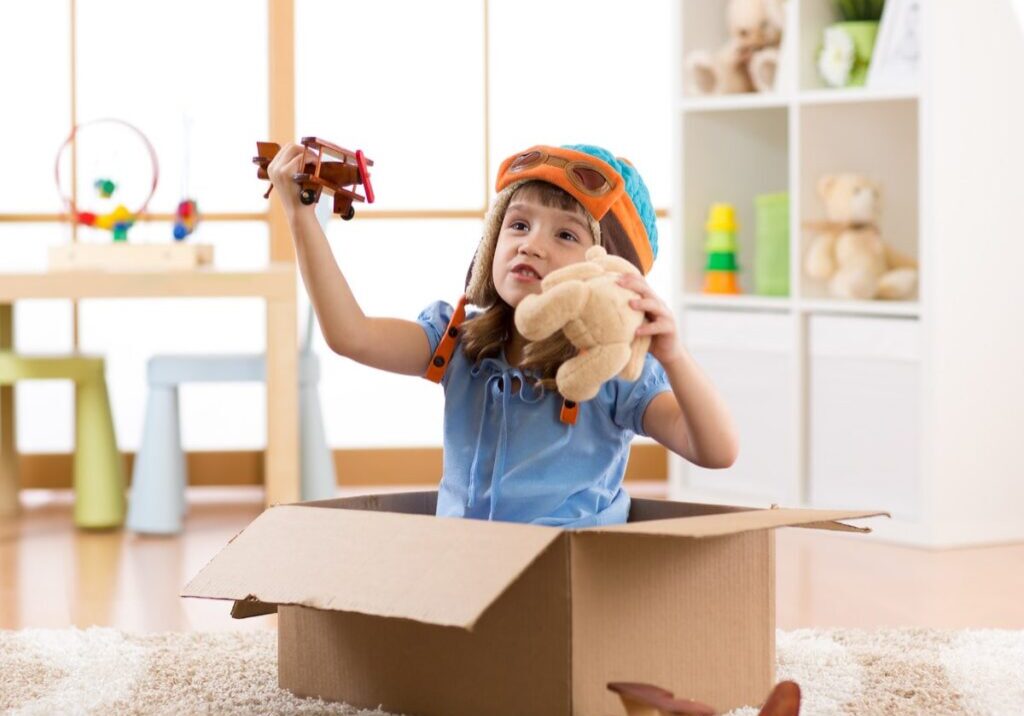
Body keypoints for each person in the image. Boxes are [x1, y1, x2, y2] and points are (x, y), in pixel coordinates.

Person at [267, 143, 738, 528]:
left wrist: (674, 356)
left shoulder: (616, 370)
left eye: (567, 236)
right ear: (492, 242)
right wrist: (300, 218)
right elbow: (354, 336)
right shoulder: (457, 340)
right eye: (518, 225)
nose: (531, 243)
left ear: (609, 270)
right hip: (465, 566)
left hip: (570, 573)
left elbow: (716, 451)